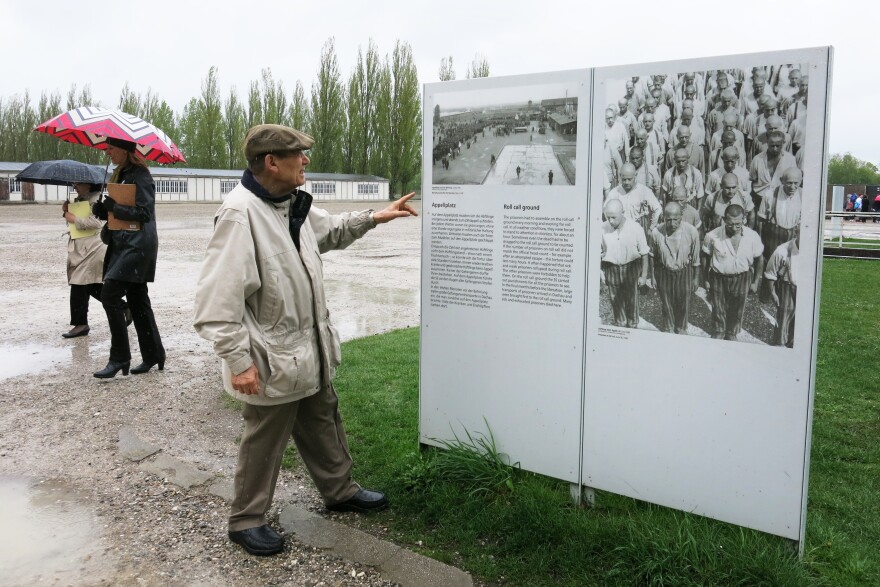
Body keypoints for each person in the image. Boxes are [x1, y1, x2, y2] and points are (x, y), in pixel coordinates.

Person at [193, 124, 418, 557]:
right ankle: (246, 520)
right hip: (271, 356)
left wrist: (373, 217)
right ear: (271, 162)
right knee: (264, 439)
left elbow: (329, 231)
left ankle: (340, 491)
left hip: (306, 349)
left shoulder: (290, 204)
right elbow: (216, 301)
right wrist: (239, 361)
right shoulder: (241, 215)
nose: (306, 160)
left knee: (322, 421)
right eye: (299, 153)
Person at [91, 138, 165, 378]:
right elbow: (118, 212)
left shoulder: (141, 175)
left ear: (124, 149)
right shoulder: (119, 174)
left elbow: (144, 212)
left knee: (110, 293)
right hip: (123, 244)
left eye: (111, 148)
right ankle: (154, 354)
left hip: (138, 245)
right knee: (137, 299)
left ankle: (120, 357)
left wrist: (114, 208)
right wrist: (103, 210)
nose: (107, 152)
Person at [701, 204, 764, 340]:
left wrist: (756, 281)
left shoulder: (753, 236)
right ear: (724, 219)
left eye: (738, 224)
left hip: (742, 277)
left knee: (737, 307)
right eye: (730, 224)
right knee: (718, 305)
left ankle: (731, 332)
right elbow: (705, 257)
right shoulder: (712, 236)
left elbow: (759, 259)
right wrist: (706, 279)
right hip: (718, 277)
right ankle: (719, 330)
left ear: (744, 219)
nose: (734, 228)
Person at [61, 183, 110, 338]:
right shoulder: (81, 200)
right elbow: (75, 225)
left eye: (78, 183)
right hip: (83, 249)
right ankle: (122, 307)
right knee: (92, 286)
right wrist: (66, 212)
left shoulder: (96, 200)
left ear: (88, 185)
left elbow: (97, 223)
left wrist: (74, 218)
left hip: (93, 249)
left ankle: (81, 324)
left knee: (79, 283)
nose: (75, 186)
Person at [650, 201, 701, 334]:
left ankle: (681, 327)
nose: (672, 223)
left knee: (684, 301)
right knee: (666, 301)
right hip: (664, 271)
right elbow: (652, 256)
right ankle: (668, 327)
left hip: (684, 271)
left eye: (675, 219)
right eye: (668, 220)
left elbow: (696, 258)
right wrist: (653, 277)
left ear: (681, 216)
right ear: (664, 218)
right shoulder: (656, 232)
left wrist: (696, 278)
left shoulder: (691, 231)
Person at [600, 199, 649, 328]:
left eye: (614, 217)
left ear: (623, 213)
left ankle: (633, 326)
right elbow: (597, 253)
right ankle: (620, 325)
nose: (610, 221)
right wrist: (601, 273)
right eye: (607, 217)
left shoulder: (636, 228)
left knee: (632, 301)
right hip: (611, 269)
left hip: (631, 269)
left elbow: (644, 253)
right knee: (616, 301)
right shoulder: (602, 229)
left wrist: (643, 276)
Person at [764, 228, 801, 348]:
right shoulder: (782, 250)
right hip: (788, 286)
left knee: (802, 318)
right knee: (784, 314)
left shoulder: (814, 250)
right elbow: (770, 273)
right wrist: (773, 293)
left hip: (805, 289)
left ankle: (795, 343)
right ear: (796, 233)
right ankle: (779, 343)